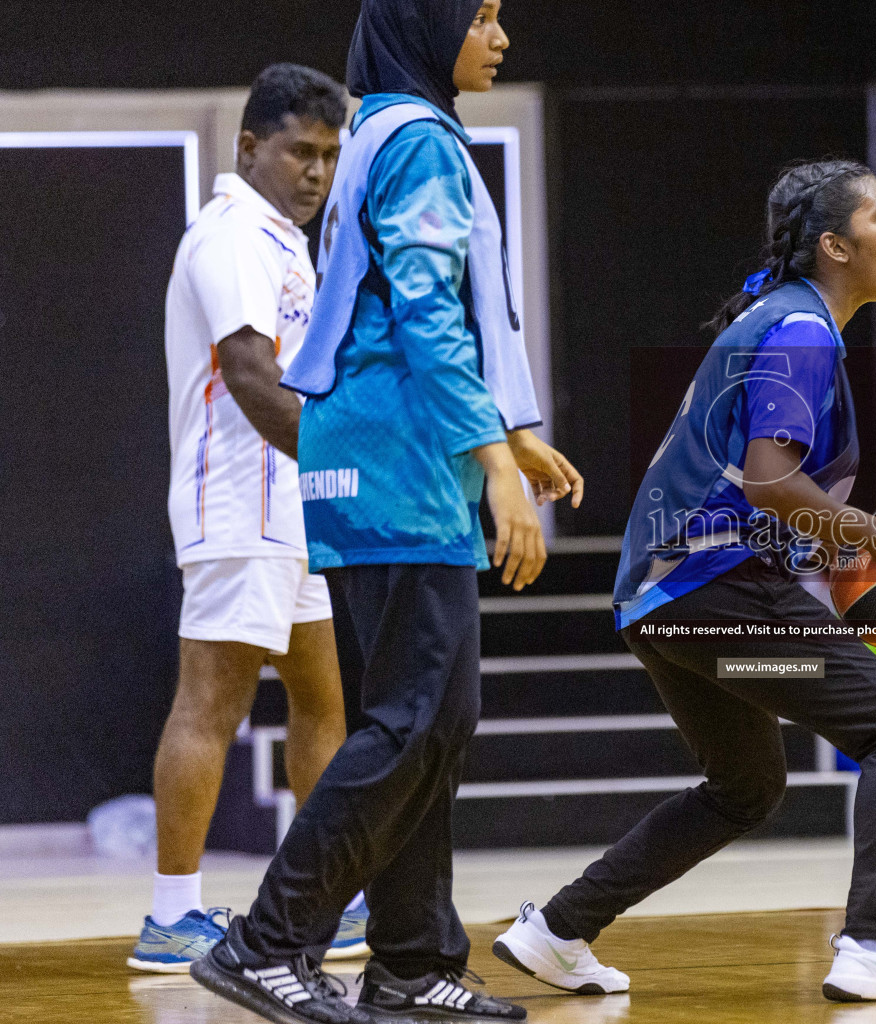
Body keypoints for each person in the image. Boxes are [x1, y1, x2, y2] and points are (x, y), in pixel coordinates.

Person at [491, 159, 876, 1004]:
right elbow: (766, 481)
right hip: (717, 590)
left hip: (668, 612)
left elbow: (761, 493)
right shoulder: (800, 330)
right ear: (834, 244)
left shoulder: (780, 318)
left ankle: (557, 929)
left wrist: (839, 555)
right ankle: (871, 944)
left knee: (746, 784)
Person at [191, 2, 582, 1021]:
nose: (501, 36)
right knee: (419, 721)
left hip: (364, 449)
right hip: (401, 456)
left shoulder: (380, 128)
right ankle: (268, 941)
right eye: (485, 15)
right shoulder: (417, 139)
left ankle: (411, 962)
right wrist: (492, 458)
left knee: (424, 725)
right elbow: (425, 311)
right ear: (431, 21)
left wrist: (511, 430)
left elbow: (404, 307)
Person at [133, 64, 369, 974]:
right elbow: (248, 373)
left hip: (291, 507)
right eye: (299, 152)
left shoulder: (285, 240)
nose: (315, 172)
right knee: (212, 703)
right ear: (247, 149)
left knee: (323, 701)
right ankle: (170, 915)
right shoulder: (232, 234)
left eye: (328, 156)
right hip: (236, 501)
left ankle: (319, 899)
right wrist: (349, 466)